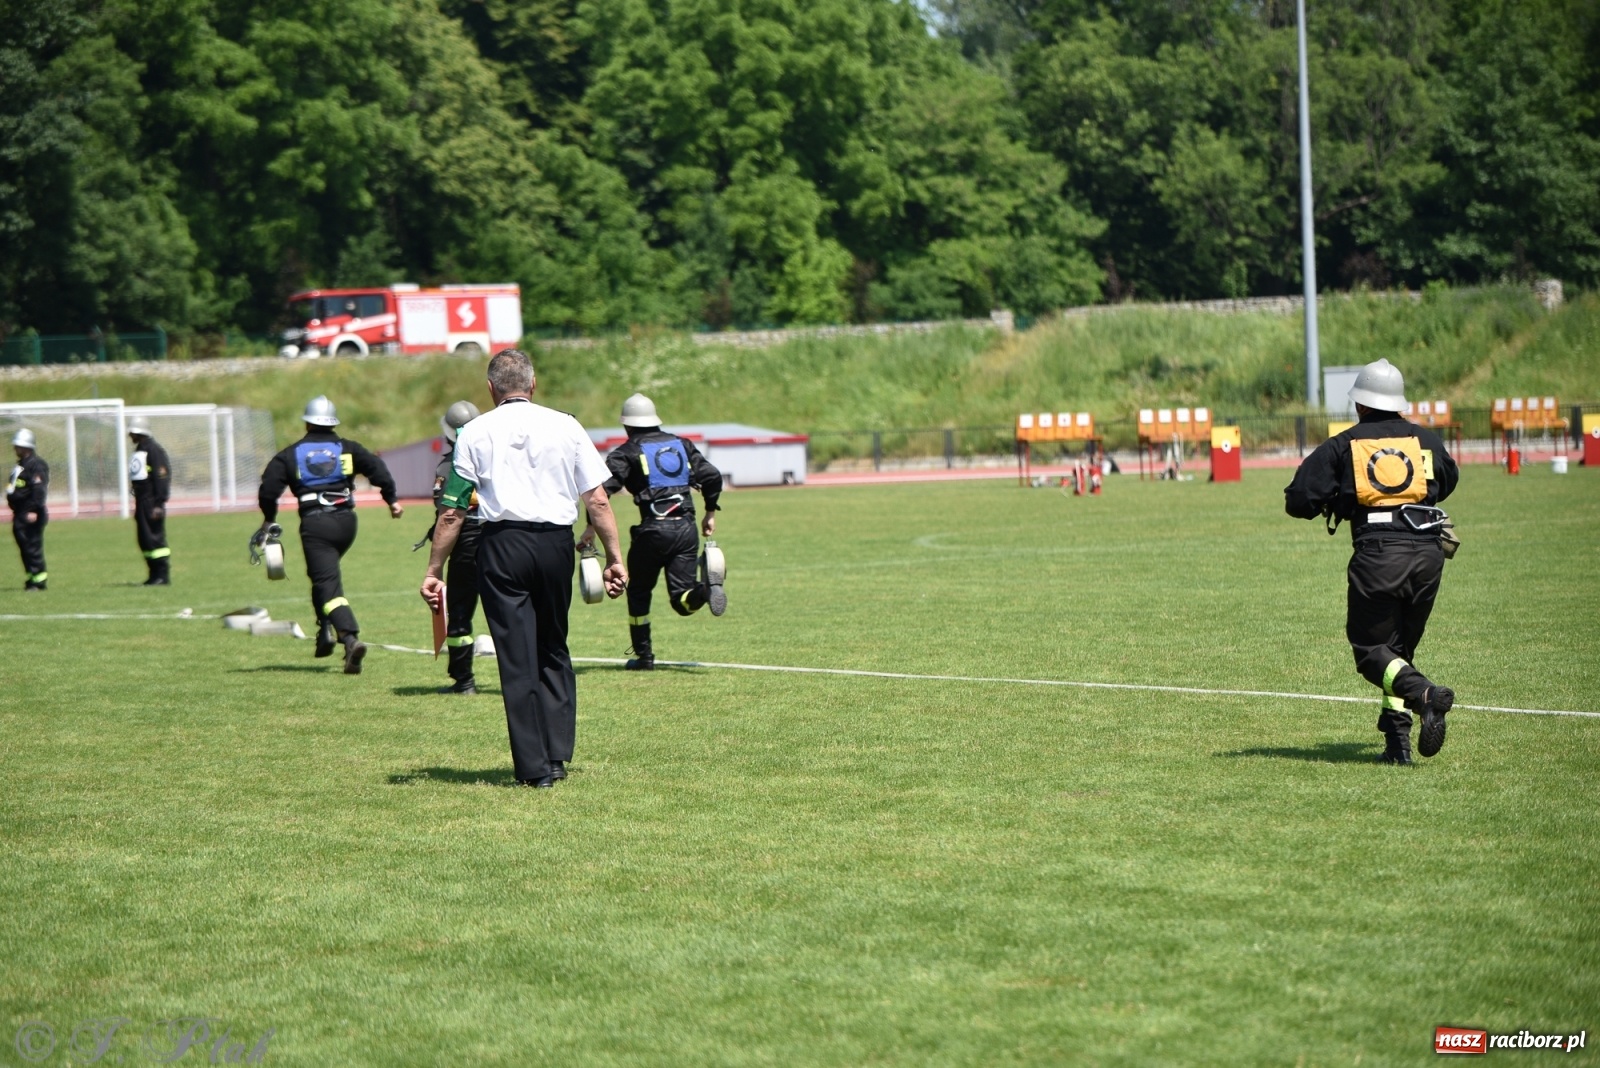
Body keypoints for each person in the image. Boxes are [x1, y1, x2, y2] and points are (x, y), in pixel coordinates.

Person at [420, 349, 626, 788]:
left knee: (516, 657)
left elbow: (453, 511)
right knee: (554, 646)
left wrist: (435, 567)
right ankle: (557, 757)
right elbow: (598, 499)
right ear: (533, 386)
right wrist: (614, 557)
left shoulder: (473, 431)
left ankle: (534, 769)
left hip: (502, 546)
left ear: (491, 389)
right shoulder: (566, 425)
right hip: (555, 544)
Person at [1285, 358, 1460, 764]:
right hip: (1429, 553)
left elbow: (1299, 500)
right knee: (1397, 654)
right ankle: (1397, 747)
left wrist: (1339, 498)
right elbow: (1447, 480)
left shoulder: (1343, 444)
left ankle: (1427, 696)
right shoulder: (1425, 440)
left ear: (1360, 404)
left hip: (1380, 556)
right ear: (1398, 402)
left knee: (1371, 651)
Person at [257, 395, 403, 674]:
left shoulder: (291, 454)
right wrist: (392, 500)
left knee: (328, 585)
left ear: (308, 423)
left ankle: (349, 639)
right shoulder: (348, 448)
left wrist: (268, 520)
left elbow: (268, 489)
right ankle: (324, 632)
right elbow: (378, 469)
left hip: (316, 525)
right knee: (320, 577)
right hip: (347, 523)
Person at [582, 393, 725, 671]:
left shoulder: (626, 452)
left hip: (652, 531)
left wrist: (590, 526)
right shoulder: (682, 445)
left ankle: (644, 657)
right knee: (682, 600)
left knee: (638, 592)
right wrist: (709, 511)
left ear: (627, 425)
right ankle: (706, 591)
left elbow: (600, 493)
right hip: (686, 528)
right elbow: (712, 476)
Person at [431, 400, 483, 695]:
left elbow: (447, 513)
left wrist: (434, 564)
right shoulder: (500, 457)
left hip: (466, 540)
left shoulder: (448, 464)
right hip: (503, 537)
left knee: (461, 611)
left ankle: (464, 681)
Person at [128, 417, 173, 585]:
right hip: (141, 501)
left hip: (152, 502)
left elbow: (162, 477)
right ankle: (153, 574)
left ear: (139, 432)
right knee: (145, 538)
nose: (130, 436)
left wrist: (158, 504)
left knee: (155, 539)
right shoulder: (141, 450)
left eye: (132, 432)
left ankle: (162, 575)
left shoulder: (154, 450)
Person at [8, 428, 49, 591]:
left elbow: (38, 491)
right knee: (24, 546)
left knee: (32, 546)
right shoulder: (21, 466)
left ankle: (39, 580)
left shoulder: (36, 465)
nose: (15, 449)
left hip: (31, 513)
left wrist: (33, 510)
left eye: (18, 446)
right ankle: (31, 577)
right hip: (19, 513)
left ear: (26, 447)